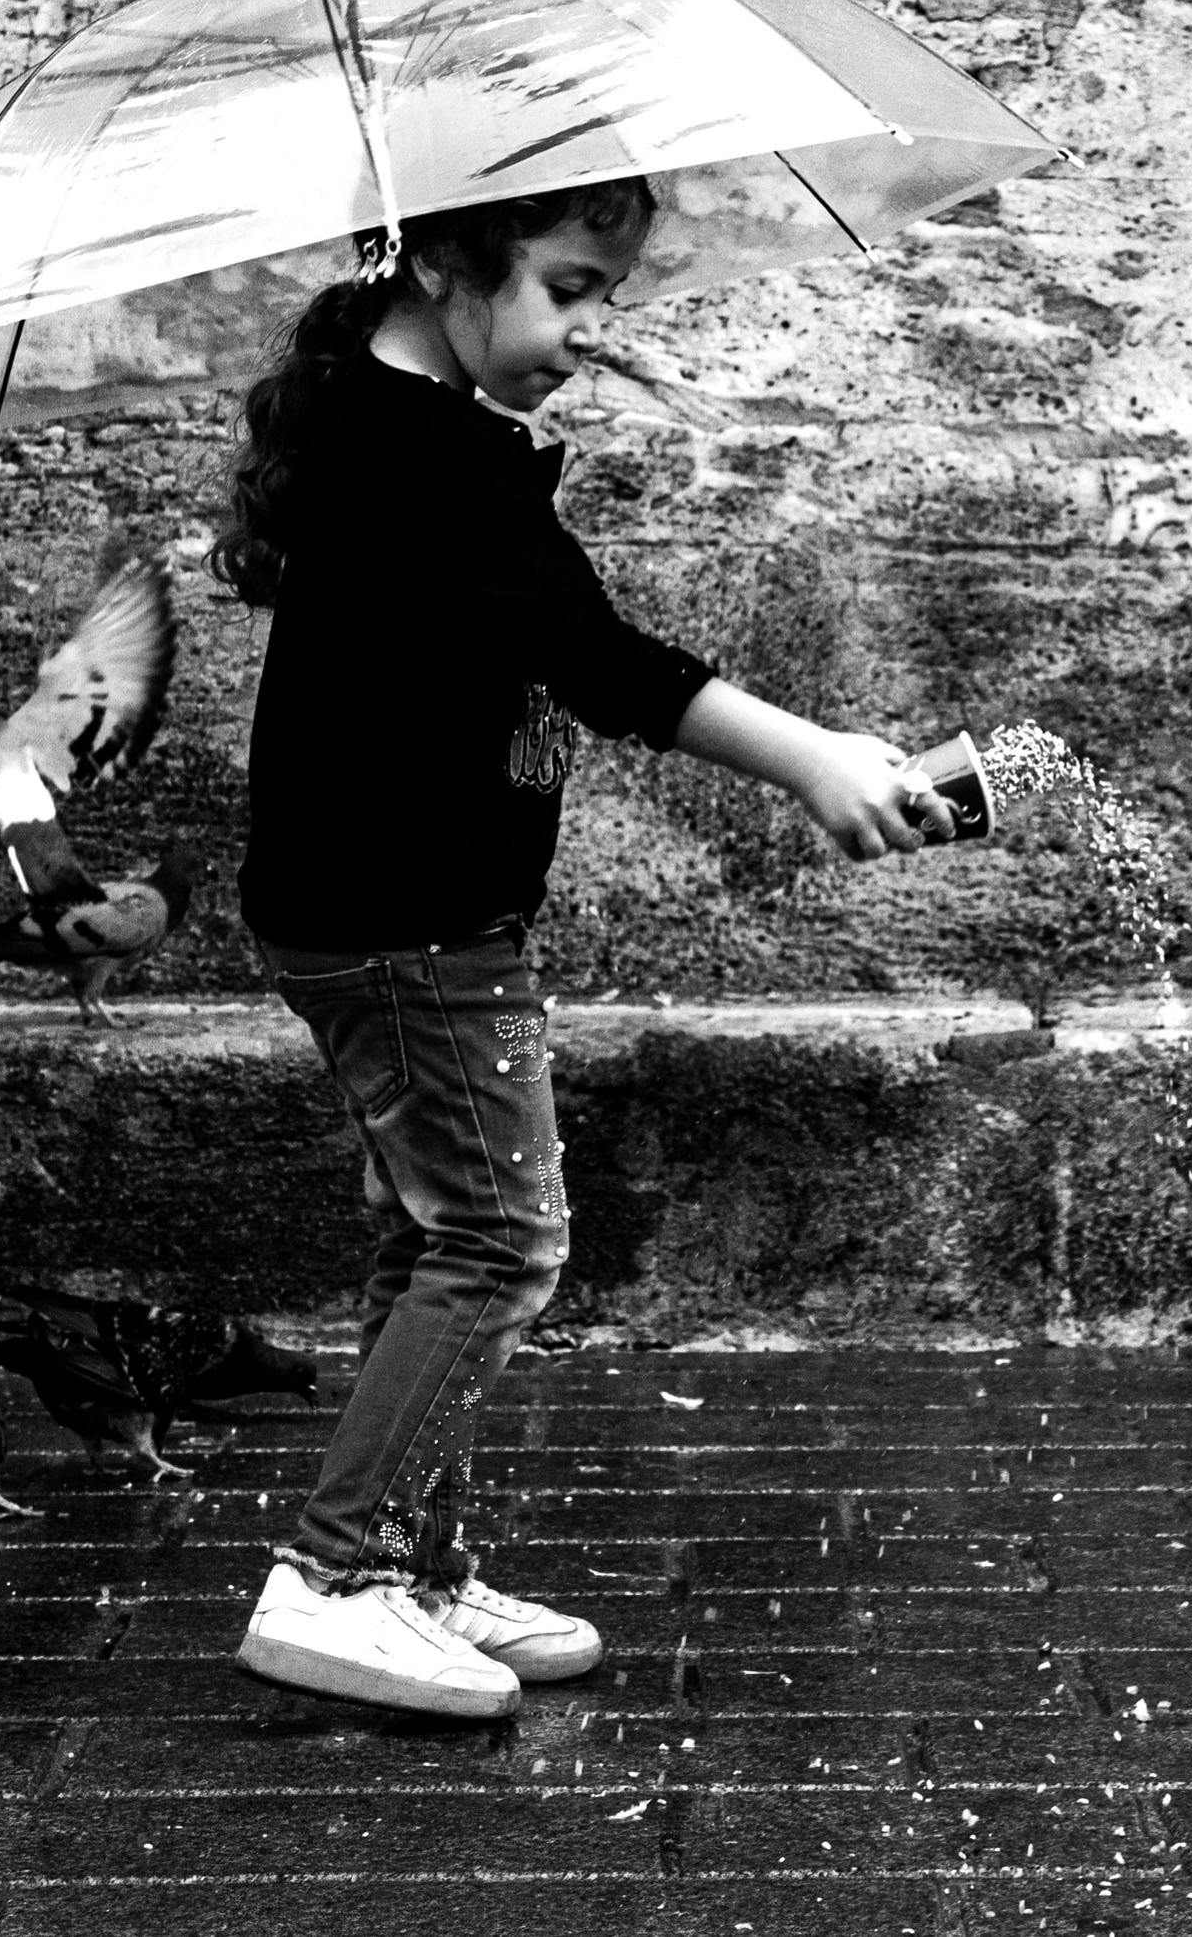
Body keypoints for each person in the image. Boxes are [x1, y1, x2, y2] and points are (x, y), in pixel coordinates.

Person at [213, 177, 951, 1718]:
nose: (583, 333)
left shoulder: (396, 426)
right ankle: (336, 1575)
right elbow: (600, 660)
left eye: (601, 296)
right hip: (405, 920)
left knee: (437, 1235)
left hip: (382, 905)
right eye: (563, 286)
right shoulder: (420, 455)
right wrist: (811, 757)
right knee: (501, 1239)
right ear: (442, 263)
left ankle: (408, 1562)